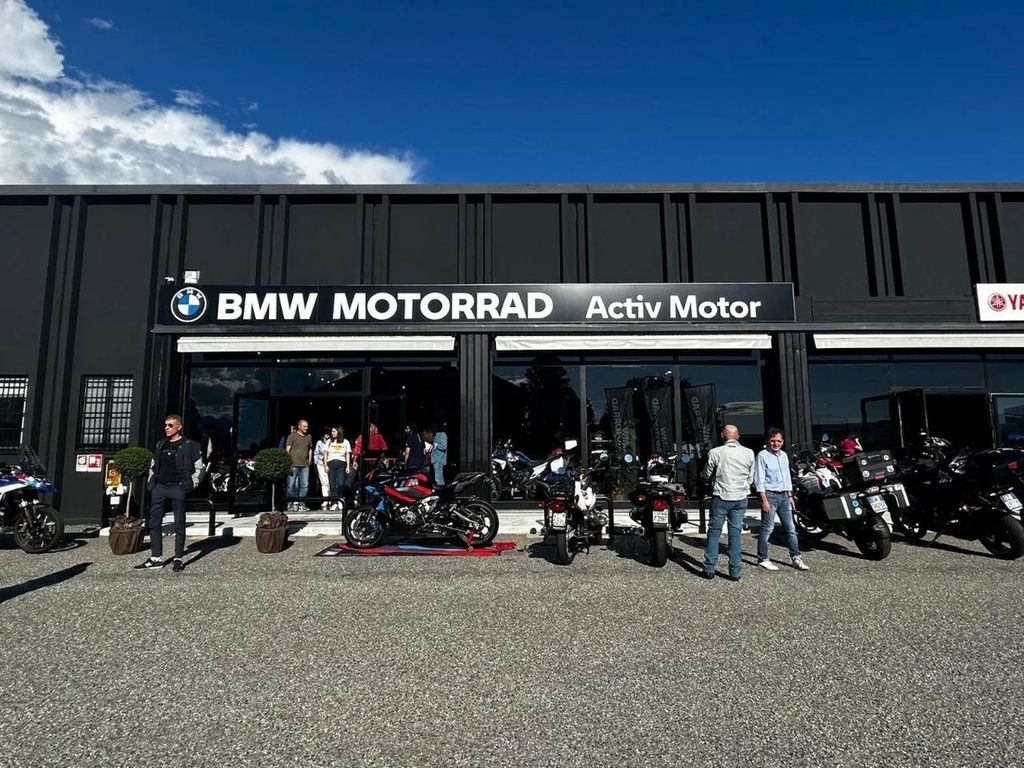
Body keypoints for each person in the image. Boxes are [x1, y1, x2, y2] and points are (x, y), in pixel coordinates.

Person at [135, 414, 203, 573]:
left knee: (179, 523)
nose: (166, 428)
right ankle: (155, 558)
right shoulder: (161, 444)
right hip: (159, 487)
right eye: (165, 425)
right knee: (154, 522)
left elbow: (199, 468)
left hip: (178, 488)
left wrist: (190, 485)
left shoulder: (190, 445)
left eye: (170, 425)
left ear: (179, 427)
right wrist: (152, 484)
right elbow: (153, 465)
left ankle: (178, 558)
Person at [700, 424, 755, 581]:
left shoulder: (715, 452)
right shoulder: (749, 453)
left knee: (714, 532)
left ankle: (709, 568)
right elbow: (751, 477)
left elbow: (707, 473)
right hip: (740, 496)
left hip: (721, 495)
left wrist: (707, 480)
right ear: (738, 436)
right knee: (735, 533)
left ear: (723, 436)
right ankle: (735, 572)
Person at [754, 428, 809, 572]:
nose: (776, 443)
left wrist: (790, 495)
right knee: (767, 528)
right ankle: (763, 558)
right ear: (768, 441)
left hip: (784, 496)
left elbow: (787, 477)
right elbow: (759, 479)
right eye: (773, 441)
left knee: (791, 528)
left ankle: (796, 557)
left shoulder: (784, 455)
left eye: (778, 441)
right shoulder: (762, 456)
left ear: (783, 442)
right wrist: (763, 499)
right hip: (770, 495)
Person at [285, 420, 312, 511]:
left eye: (307, 426)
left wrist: (310, 460)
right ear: (299, 426)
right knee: (291, 485)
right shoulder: (292, 436)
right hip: (293, 464)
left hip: (305, 465)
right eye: (304, 426)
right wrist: (288, 462)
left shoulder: (309, 437)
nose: (306, 428)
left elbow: (310, 449)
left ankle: (301, 503)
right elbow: (288, 449)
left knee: (305, 485)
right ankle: (290, 503)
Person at [324, 426, 351, 510]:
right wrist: (325, 465)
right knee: (332, 484)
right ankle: (334, 502)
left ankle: (340, 500)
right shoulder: (329, 441)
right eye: (332, 431)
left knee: (340, 483)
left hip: (341, 464)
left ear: (338, 432)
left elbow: (347, 454)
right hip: (331, 463)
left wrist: (348, 466)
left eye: (334, 431)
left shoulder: (345, 441)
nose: (332, 433)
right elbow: (325, 453)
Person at [313, 427, 332, 509]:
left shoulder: (332, 441)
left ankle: (332, 499)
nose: (327, 435)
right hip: (320, 464)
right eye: (325, 433)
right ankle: (325, 500)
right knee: (324, 482)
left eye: (328, 433)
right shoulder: (319, 442)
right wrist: (315, 463)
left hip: (330, 464)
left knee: (330, 482)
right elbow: (316, 453)